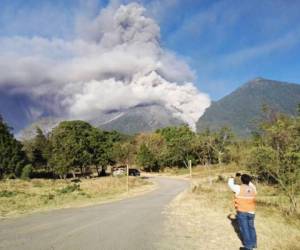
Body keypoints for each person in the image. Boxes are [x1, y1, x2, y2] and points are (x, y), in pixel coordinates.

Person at [228, 174, 257, 250]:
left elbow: (230, 185)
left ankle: (248, 247)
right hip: (251, 212)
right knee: (251, 228)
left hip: (242, 212)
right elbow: (250, 183)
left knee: (245, 229)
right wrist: (247, 179)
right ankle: (254, 244)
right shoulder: (253, 188)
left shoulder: (239, 188)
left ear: (241, 180)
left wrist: (231, 177)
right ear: (249, 181)